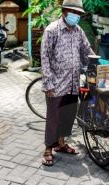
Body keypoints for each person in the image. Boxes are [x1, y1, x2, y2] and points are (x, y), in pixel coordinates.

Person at [40, 0, 95, 166]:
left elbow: (87, 51)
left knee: (68, 116)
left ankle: (61, 144)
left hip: (73, 83)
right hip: (56, 85)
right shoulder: (52, 30)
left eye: (78, 13)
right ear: (64, 11)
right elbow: (45, 58)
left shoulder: (78, 31)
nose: (76, 16)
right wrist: (48, 84)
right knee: (54, 117)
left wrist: (99, 64)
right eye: (73, 12)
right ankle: (48, 148)